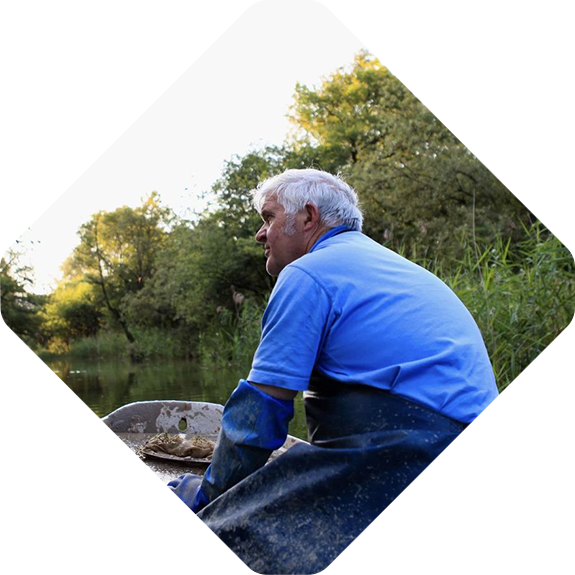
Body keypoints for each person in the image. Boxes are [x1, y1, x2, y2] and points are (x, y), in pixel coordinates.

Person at [168, 168, 499, 574]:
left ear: (308, 217)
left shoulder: (309, 273)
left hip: (409, 454)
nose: (260, 234)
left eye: (267, 217)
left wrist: (211, 503)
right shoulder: (387, 265)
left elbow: (259, 412)